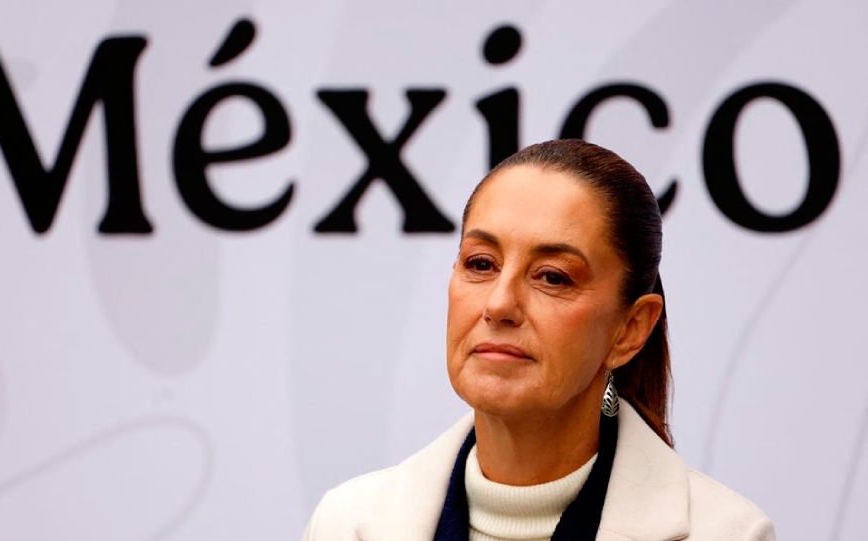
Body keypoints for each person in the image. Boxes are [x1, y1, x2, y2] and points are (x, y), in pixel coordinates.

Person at [302, 140, 775, 541]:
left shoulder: (729, 533)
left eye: (552, 276)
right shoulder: (347, 524)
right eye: (481, 264)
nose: (499, 304)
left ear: (630, 329)